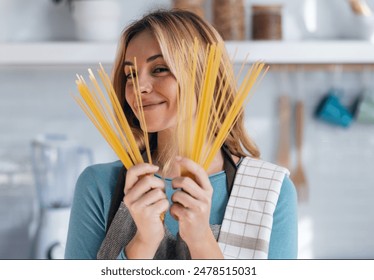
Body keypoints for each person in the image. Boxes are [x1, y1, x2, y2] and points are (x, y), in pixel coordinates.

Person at [65, 9, 297, 259]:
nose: (138, 87)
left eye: (160, 69)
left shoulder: (271, 191)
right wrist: (143, 241)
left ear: (203, 75)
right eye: (130, 74)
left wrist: (201, 239)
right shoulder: (99, 186)